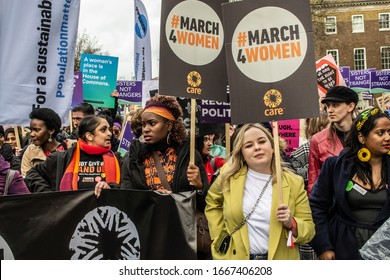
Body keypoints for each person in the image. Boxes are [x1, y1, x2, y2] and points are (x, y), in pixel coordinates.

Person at [205, 123, 315, 260]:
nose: (257, 147)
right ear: (242, 153)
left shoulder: (293, 182)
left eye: (262, 141)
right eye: (249, 145)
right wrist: (218, 236)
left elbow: (309, 230)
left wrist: (291, 222)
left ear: (273, 147)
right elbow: (212, 202)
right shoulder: (228, 176)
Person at [310, 107, 390, 260]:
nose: (387, 137)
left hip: (385, 249)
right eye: (380, 133)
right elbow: (317, 206)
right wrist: (323, 246)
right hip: (345, 247)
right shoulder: (336, 166)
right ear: (362, 137)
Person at [121, 94, 208, 197]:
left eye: (152, 123)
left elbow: (205, 204)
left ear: (169, 125)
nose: (146, 129)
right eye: (144, 125)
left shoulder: (189, 156)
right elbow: (127, 198)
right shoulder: (134, 158)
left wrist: (199, 187)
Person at [24, 115, 120, 197]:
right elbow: (32, 175)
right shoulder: (63, 158)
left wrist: (111, 188)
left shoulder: (117, 160)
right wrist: (49, 195)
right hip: (70, 216)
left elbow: (127, 190)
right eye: (103, 130)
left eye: (109, 129)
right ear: (89, 136)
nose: (110, 134)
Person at [308, 86, 359, 195]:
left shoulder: (366, 135)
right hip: (332, 205)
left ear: (351, 106)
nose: (330, 110)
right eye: (328, 105)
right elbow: (313, 181)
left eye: (335, 105)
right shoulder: (317, 140)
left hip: (362, 204)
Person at [21, 108, 72, 177]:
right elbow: (26, 178)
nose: (32, 134)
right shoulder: (30, 151)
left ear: (51, 130)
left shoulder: (70, 148)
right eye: (31, 130)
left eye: (37, 130)